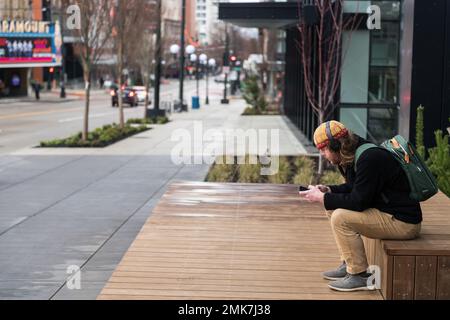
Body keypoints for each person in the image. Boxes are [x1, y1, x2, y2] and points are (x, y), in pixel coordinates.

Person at [299, 121, 422, 292]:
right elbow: (355, 187)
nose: (322, 154)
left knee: (340, 217)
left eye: (323, 149)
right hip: (386, 212)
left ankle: (359, 276)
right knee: (333, 207)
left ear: (336, 145)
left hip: (403, 223)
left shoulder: (369, 158)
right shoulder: (355, 153)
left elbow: (358, 202)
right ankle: (349, 263)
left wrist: (324, 198)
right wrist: (328, 190)